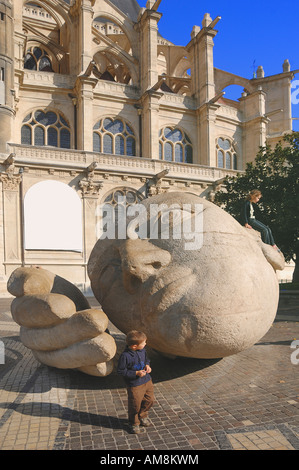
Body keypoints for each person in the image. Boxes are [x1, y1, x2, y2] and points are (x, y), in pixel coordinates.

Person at [117, 330, 154, 434]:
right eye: (143, 343)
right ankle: (134, 423)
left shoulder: (143, 350)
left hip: (147, 381)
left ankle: (142, 415)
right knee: (135, 405)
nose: (145, 344)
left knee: (150, 400)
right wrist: (136, 373)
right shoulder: (125, 356)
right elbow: (121, 371)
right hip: (135, 385)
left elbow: (147, 359)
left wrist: (147, 365)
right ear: (134, 346)